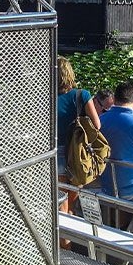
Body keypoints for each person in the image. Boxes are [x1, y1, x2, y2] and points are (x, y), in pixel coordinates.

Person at [56, 56, 101, 214]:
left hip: (57, 150)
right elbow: (97, 125)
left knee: (61, 196)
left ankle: (64, 237)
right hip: (78, 150)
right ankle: (72, 222)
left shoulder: (46, 96)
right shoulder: (82, 95)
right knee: (75, 191)